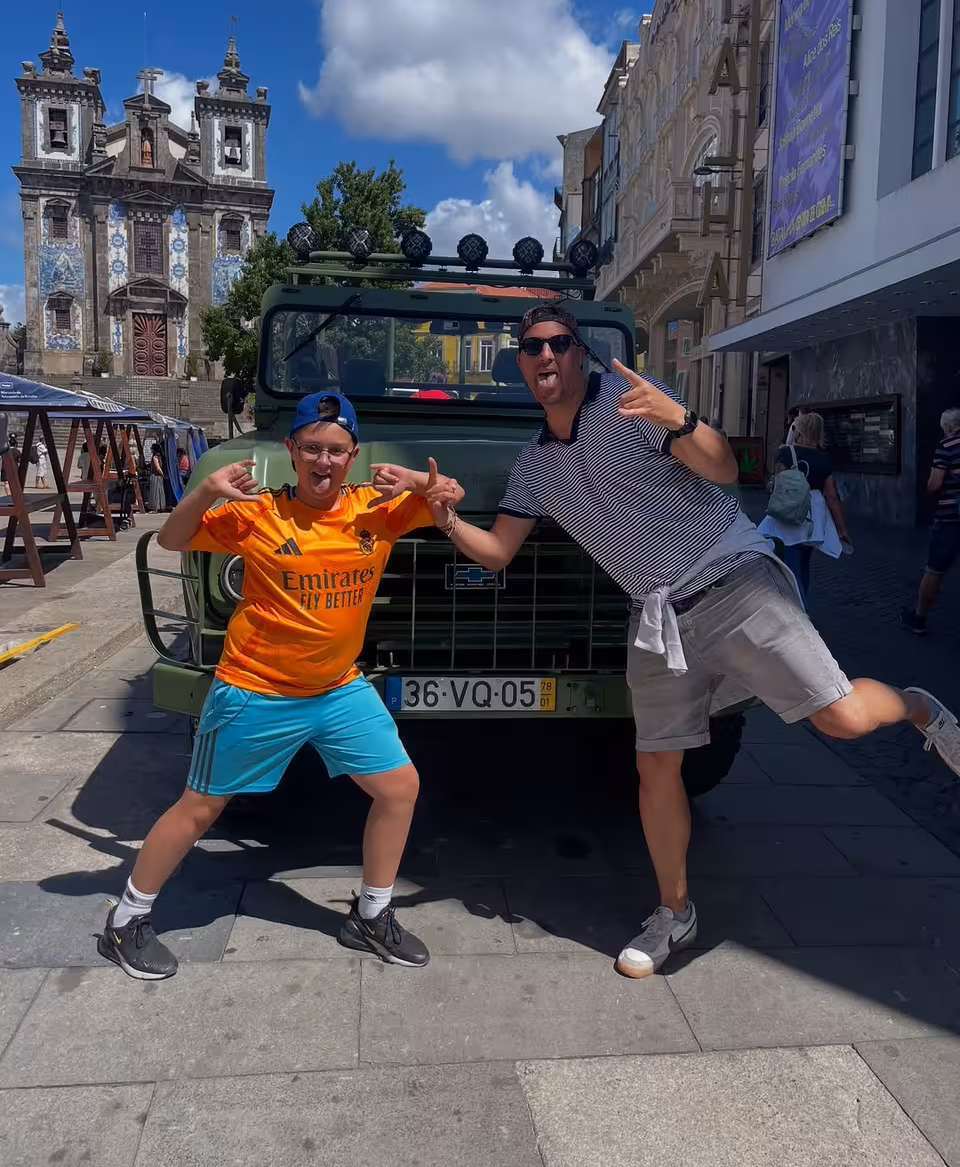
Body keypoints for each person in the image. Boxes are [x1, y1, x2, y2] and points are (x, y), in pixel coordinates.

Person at [373, 302, 960, 980]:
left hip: (732, 578)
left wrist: (680, 419)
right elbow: (500, 551)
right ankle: (674, 912)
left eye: (558, 342)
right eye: (531, 347)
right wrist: (441, 515)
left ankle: (921, 707)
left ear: (578, 351)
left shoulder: (629, 402)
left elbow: (724, 470)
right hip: (655, 616)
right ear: (521, 365)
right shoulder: (534, 466)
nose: (545, 356)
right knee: (656, 766)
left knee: (844, 718)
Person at [98, 390, 463, 980]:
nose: (324, 461)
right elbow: (172, 539)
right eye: (312, 448)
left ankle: (371, 915)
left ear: (353, 456)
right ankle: (125, 922)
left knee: (399, 788)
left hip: (338, 688)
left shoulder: (376, 509)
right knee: (201, 806)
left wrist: (427, 486)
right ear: (292, 450)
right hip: (255, 689)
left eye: (337, 451)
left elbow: (449, 500)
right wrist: (206, 490)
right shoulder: (257, 512)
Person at [758, 411, 851, 602]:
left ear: (798, 431)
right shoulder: (823, 459)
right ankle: (801, 602)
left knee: (792, 565)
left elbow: (777, 484)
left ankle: (799, 608)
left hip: (787, 515)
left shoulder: (785, 453)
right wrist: (842, 529)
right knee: (803, 563)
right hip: (812, 518)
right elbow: (832, 496)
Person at [901, 407, 960, 634]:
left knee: (934, 569)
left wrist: (928, 492)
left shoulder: (946, 447)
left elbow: (935, 484)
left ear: (949, 426)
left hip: (950, 519)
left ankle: (919, 618)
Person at [147, 443, 166, 513]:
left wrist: (162, 473)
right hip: (159, 476)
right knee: (160, 491)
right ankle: (161, 506)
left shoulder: (155, 457)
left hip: (155, 476)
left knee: (155, 492)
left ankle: (155, 508)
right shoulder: (160, 456)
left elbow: (157, 467)